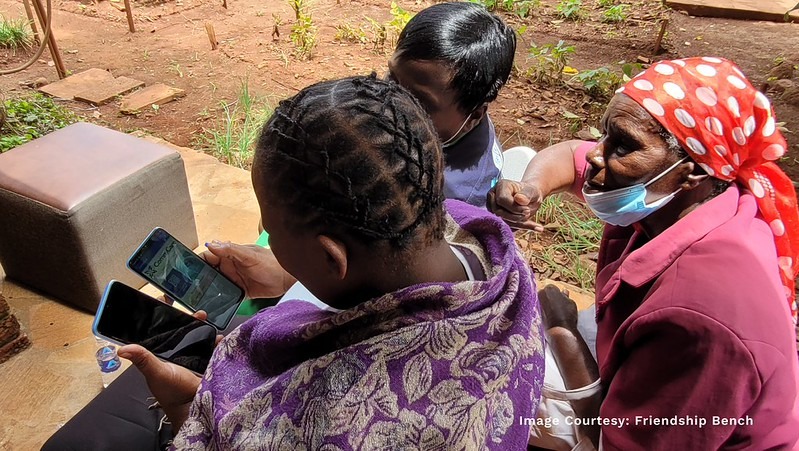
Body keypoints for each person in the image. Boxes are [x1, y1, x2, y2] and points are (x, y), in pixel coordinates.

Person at [45, 75, 544, 449]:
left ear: (332, 256)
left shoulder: (331, 417)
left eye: (273, 230)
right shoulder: (484, 244)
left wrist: (184, 408)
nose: (270, 241)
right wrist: (288, 276)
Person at [490, 57, 799, 449]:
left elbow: (618, 443)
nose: (597, 157)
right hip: (648, 368)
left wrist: (563, 332)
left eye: (622, 145)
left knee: (497, 385)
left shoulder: (698, 315)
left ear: (694, 171)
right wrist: (532, 187)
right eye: (604, 136)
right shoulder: (694, 197)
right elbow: (570, 156)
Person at [387, 2, 516, 208]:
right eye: (392, 79)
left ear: (473, 116)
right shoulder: (453, 111)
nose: (391, 103)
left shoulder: (453, 199)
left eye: (419, 102)